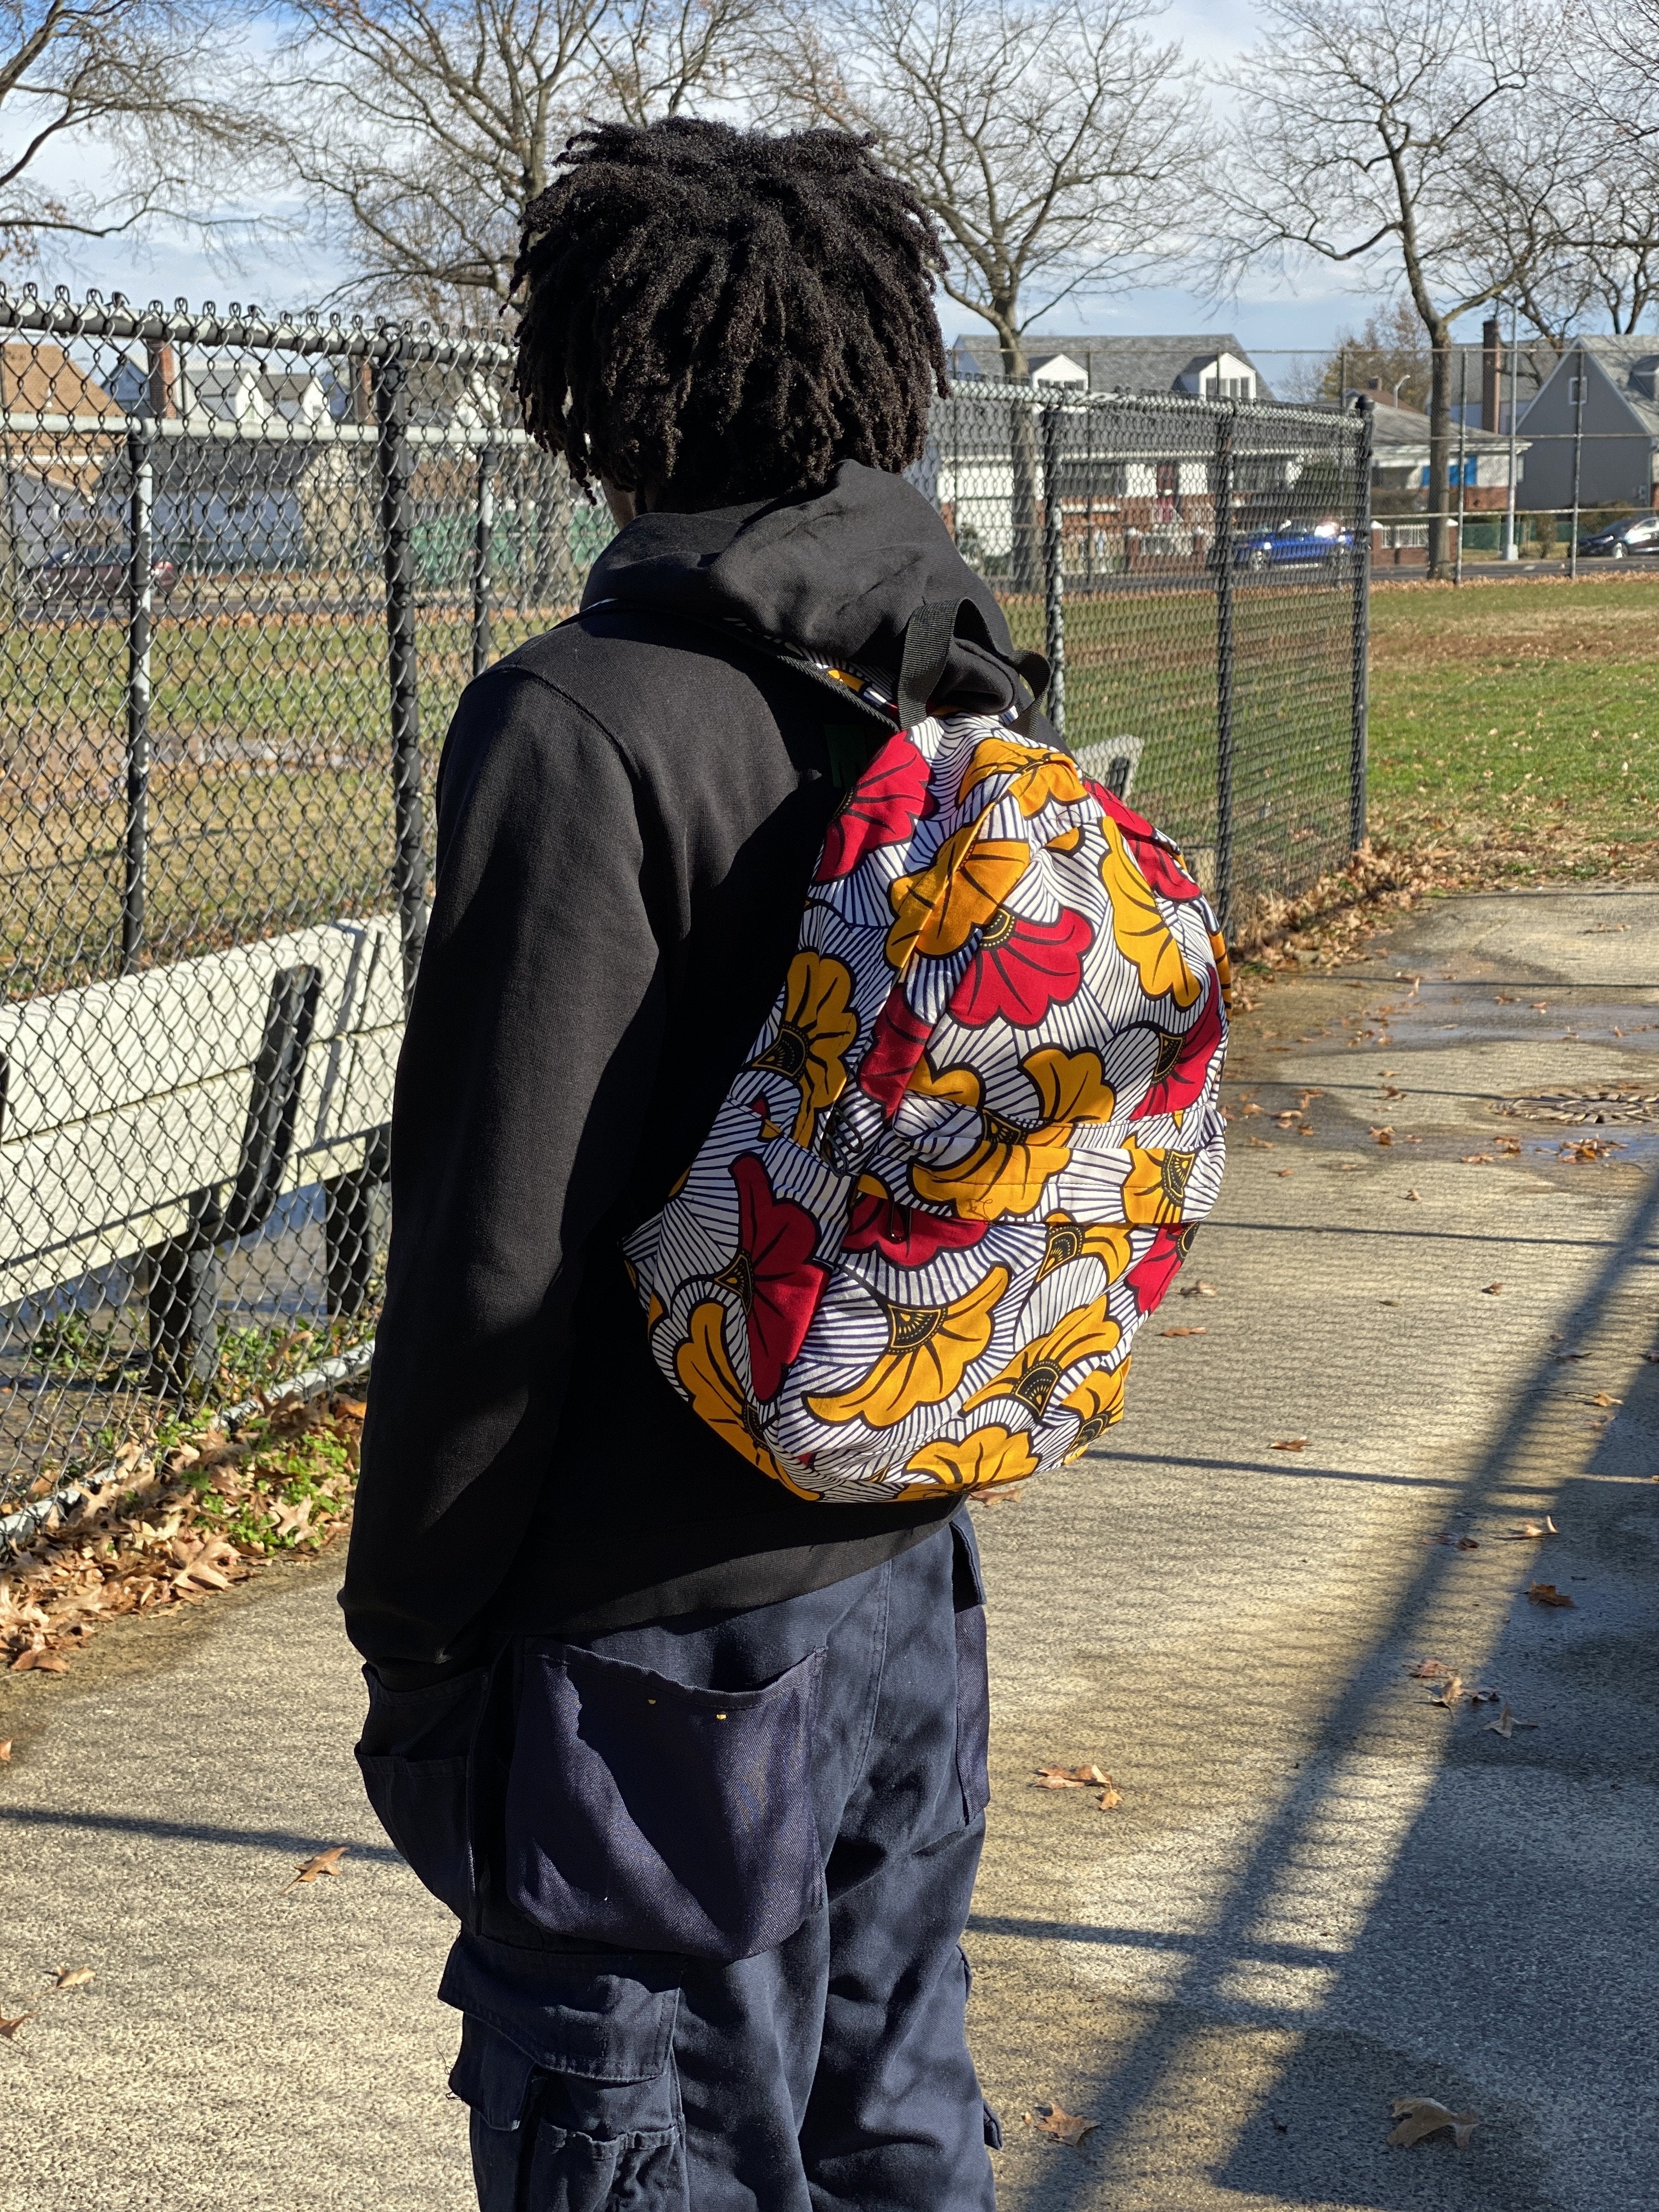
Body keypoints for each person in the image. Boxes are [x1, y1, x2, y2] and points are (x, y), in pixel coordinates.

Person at [342, 117, 1054, 2211]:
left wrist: (417, 1642)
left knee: (649, 2150)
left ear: (599, 394)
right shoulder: (951, 681)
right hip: (905, 1566)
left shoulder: (588, 723)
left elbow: (496, 1255)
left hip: (652, 1657)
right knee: (893, 2130)